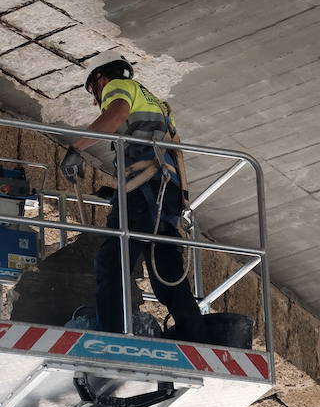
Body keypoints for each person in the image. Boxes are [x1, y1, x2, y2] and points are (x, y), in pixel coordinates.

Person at [60, 56, 209, 343]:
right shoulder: (155, 103)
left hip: (146, 192)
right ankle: (196, 335)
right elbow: (151, 149)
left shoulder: (118, 86)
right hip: (167, 194)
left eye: (95, 93)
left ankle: (111, 336)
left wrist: (75, 148)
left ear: (101, 80)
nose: (96, 102)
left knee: (111, 261)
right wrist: (118, 193)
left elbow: (115, 115)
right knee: (166, 271)